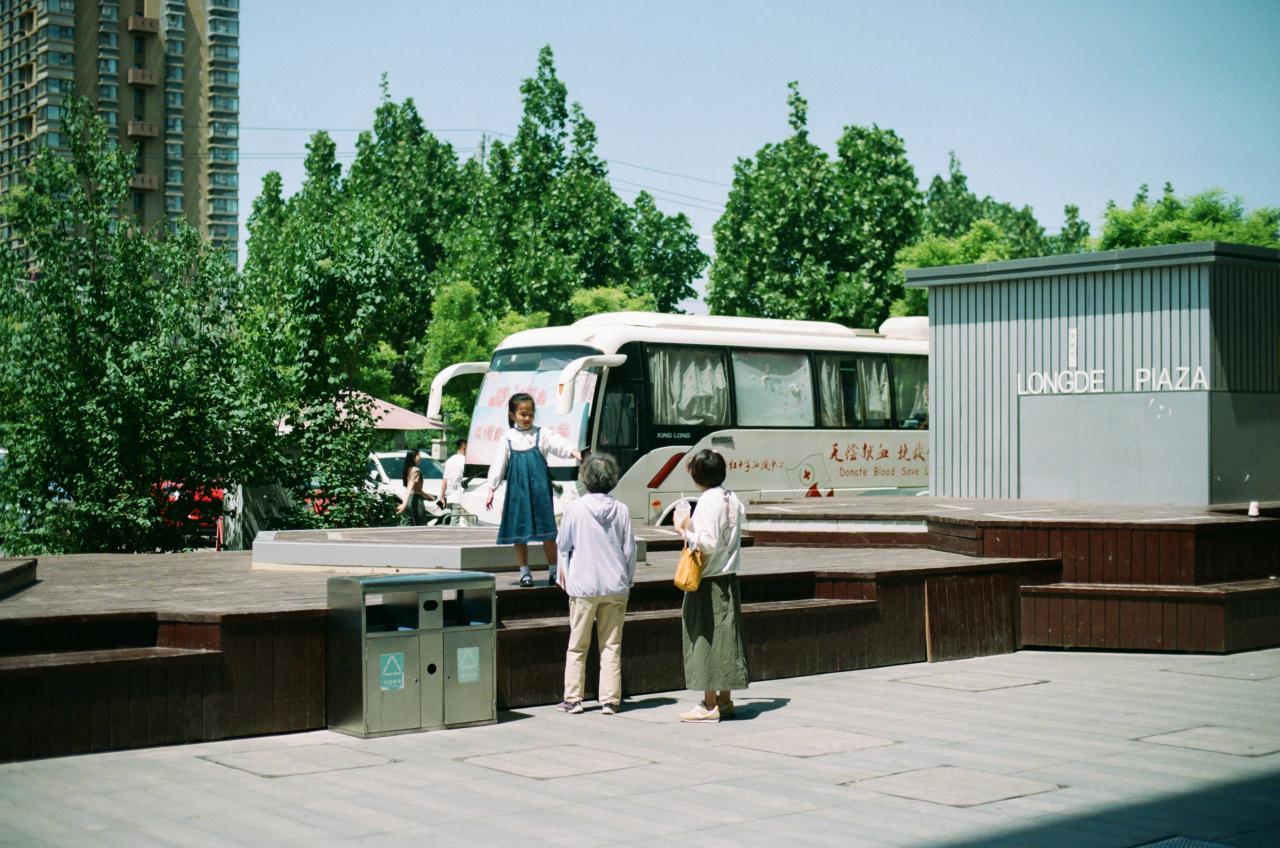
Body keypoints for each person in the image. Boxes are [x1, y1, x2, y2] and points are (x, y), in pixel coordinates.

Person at [554, 453, 636, 715]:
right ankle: (610, 700)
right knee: (612, 645)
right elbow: (630, 549)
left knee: (577, 645)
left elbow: (563, 545)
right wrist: (628, 578)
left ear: (585, 478)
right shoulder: (621, 509)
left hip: (583, 585)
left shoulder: (575, 509)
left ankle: (573, 699)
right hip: (615, 584)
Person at [673, 448, 749, 722]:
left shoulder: (707, 501)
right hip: (729, 578)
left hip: (708, 580)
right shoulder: (732, 498)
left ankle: (708, 704)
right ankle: (725, 699)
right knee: (727, 639)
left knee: (704, 637)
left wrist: (682, 528)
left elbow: (706, 543)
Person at [485, 392, 582, 587]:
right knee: (519, 532)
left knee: (548, 532)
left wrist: (573, 452)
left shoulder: (542, 433)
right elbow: (499, 464)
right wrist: (491, 488)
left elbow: (559, 444)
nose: (527, 418)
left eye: (530, 414)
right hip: (517, 491)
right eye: (523, 414)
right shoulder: (508, 437)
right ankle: (524, 572)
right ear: (513, 415)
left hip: (539, 490)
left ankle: (554, 572)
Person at [395, 448, 428, 525]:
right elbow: (410, 486)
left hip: (411, 499)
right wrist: (404, 503)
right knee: (421, 526)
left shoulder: (409, 469)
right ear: (413, 457)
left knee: (409, 526)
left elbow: (415, 488)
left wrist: (427, 496)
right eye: (418, 455)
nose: (420, 457)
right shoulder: (416, 470)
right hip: (416, 501)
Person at [439, 438, 468, 525]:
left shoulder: (449, 460)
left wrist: (442, 497)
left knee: (455, 522)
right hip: (459, 498)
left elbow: (444, 480)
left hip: (450, 497)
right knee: (455, 525)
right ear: (464, 448)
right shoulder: (465, 461)